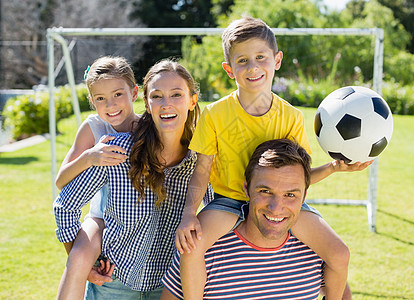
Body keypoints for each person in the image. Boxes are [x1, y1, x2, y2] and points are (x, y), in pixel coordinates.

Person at [175, 17, 371, 299]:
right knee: (191, 247)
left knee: (339, 254)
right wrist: (188, 216)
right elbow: (202, 169)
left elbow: (297, 182)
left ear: (277, 60)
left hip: (277, 200)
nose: (252, 67)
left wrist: (333, 167)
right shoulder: (215, 114)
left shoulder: (290, 117)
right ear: (229, 69)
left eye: (260, 57)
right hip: (229, 202)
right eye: (242, 61)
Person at [53, 59, 213, 299]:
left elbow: (220, 214)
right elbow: (65, 203)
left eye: (176, 95)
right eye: (157, 96)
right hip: (113, 282)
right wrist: (85, 260)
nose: (166, 104)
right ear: (147, 104)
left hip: (172, 286)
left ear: (192, 100)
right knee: (78, 258)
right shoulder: (114, 150)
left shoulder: (203, 160)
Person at [162, 139, 350, 299]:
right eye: (265, 191)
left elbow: (342, 289)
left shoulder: (316, 250)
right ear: (246, 188)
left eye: (290, 195)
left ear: (304, 195)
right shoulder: (202, 249)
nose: (276, 208)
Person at [55, 55, 140, 299]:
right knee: (79, 257)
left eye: (117, 95)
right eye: (101, 99)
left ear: (134, 93)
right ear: (92, 101)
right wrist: (89, 157)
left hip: (133, 218)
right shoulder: (93, 127)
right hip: (101, 217)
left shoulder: (146, 127)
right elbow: (61, 180)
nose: (110, 104)